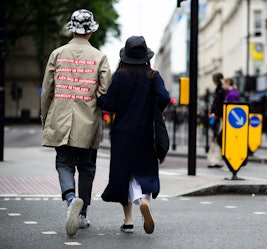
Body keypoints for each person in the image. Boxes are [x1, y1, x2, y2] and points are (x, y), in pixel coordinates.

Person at [40, 9, 111, 237]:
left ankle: (71, 199)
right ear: (90, 31)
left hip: (60, 118)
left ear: (72, 29)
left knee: (63, 162)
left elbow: (47, 91)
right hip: (88, 121)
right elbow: (105, 91)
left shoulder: (57, 54)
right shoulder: (100, 57)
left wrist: (45, 117)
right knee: (87, 168)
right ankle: (82, 215)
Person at [96, 36, 170, 234]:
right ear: (145, 56)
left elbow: (109, 104)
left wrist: (99, 98)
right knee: (145, 169)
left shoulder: (120, 76)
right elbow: (164, 97)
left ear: (126, 57)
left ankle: (128, 220)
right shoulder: (153, 75)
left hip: (123, 134)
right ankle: (145, 200)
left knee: (124, 175)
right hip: (147, 132)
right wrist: (154, 109)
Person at [207, 72, 226, 168]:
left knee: (217, 138)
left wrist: (215, 113)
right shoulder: (220, 90)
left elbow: (220, 105)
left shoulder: (220, 91)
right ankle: (215, 159)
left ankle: (216, 160)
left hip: (219, 118)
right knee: (216, 138)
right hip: (218, 117)